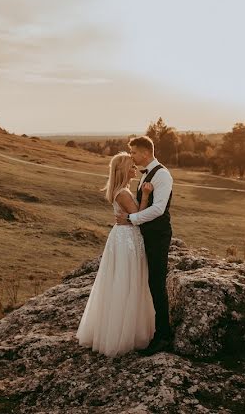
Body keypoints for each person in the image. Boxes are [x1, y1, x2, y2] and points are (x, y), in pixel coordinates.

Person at [76, 152, 156, 357]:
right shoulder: (123, 193)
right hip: (127, 239)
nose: (134, 169)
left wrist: (130, 217)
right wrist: (146, 196)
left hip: (124, 235)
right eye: (131, 167)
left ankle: (120, 330)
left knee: (123, 280)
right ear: (123, 170)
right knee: (126, 281)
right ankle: (122, 335)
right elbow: (139, 216)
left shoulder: (122, 190)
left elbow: (132, 217)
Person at [115, 135, 174, 355]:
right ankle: (152, 329)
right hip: (146, 236)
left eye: (134, 153)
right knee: (149, 283)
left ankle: (164, 335)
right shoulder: (146, 174)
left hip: (158, 236)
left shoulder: (163, 175)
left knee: (157, 283)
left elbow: (159, 209)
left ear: (146, 153)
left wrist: (131, 220)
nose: (132, 156)